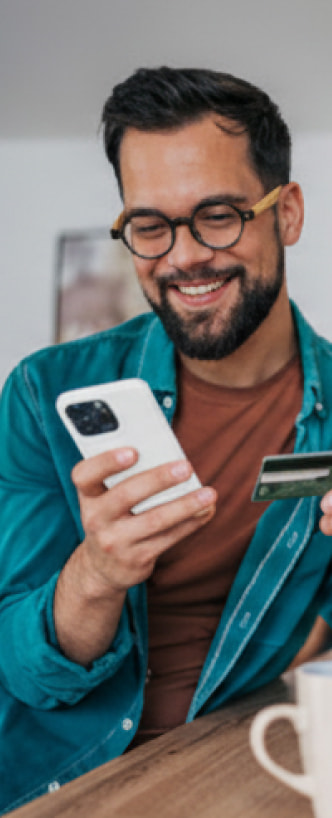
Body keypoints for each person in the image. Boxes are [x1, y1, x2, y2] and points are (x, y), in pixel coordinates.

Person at [1, 66, 332, 814]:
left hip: (248, 766)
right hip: (62, 782)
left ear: (288, 214)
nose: (182, 257)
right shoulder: (40, 393)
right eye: (150, 225)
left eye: (218, 214)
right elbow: (22, 671)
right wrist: (97, 574)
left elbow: (318, 647)